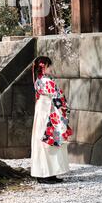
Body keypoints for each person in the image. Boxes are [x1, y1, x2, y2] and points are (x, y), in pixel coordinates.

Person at [30, 55, 72, 184]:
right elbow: (58, 97)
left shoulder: (39, 80)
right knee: (48, 141)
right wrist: (65, 110)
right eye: (49, 66)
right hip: (48, 111)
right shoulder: (47, 81)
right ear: (43, 68)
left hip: (43, 110)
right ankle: (46, 173)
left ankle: (47, 172)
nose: (51, 68)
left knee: (43, 141)